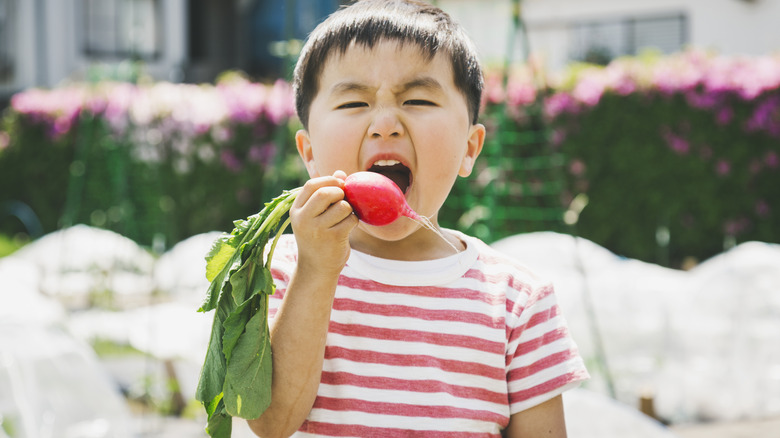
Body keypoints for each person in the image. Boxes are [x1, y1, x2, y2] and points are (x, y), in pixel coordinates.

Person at [248, 0, 589, 436]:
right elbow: (271, 422)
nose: (385, 124)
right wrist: (316, 270)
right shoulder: (281, 272)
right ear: (309, 154)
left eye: (418, 99)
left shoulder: (518, 303)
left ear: (469, 148)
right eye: (354, 103)